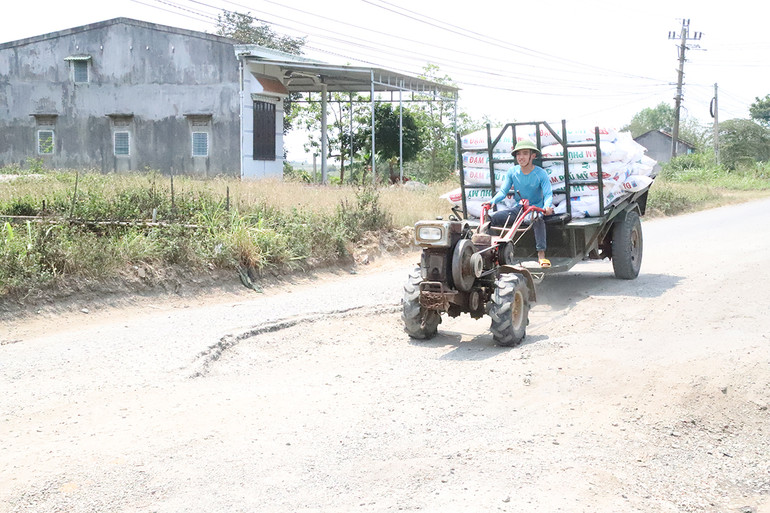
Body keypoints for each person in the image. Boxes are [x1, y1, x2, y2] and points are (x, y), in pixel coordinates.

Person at [482, 139, 554, 268]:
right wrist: (492, 202)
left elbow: (548, 194)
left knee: (538, 220)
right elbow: (503, 191)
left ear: (533, 156)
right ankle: (489, 253)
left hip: (534, 210)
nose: (521, 157)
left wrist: (546, 207)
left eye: (525, 153)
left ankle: (541, 255)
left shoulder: (540, 174)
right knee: (491, 219)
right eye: (518, 154)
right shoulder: (512, 172)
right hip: (519, 209)